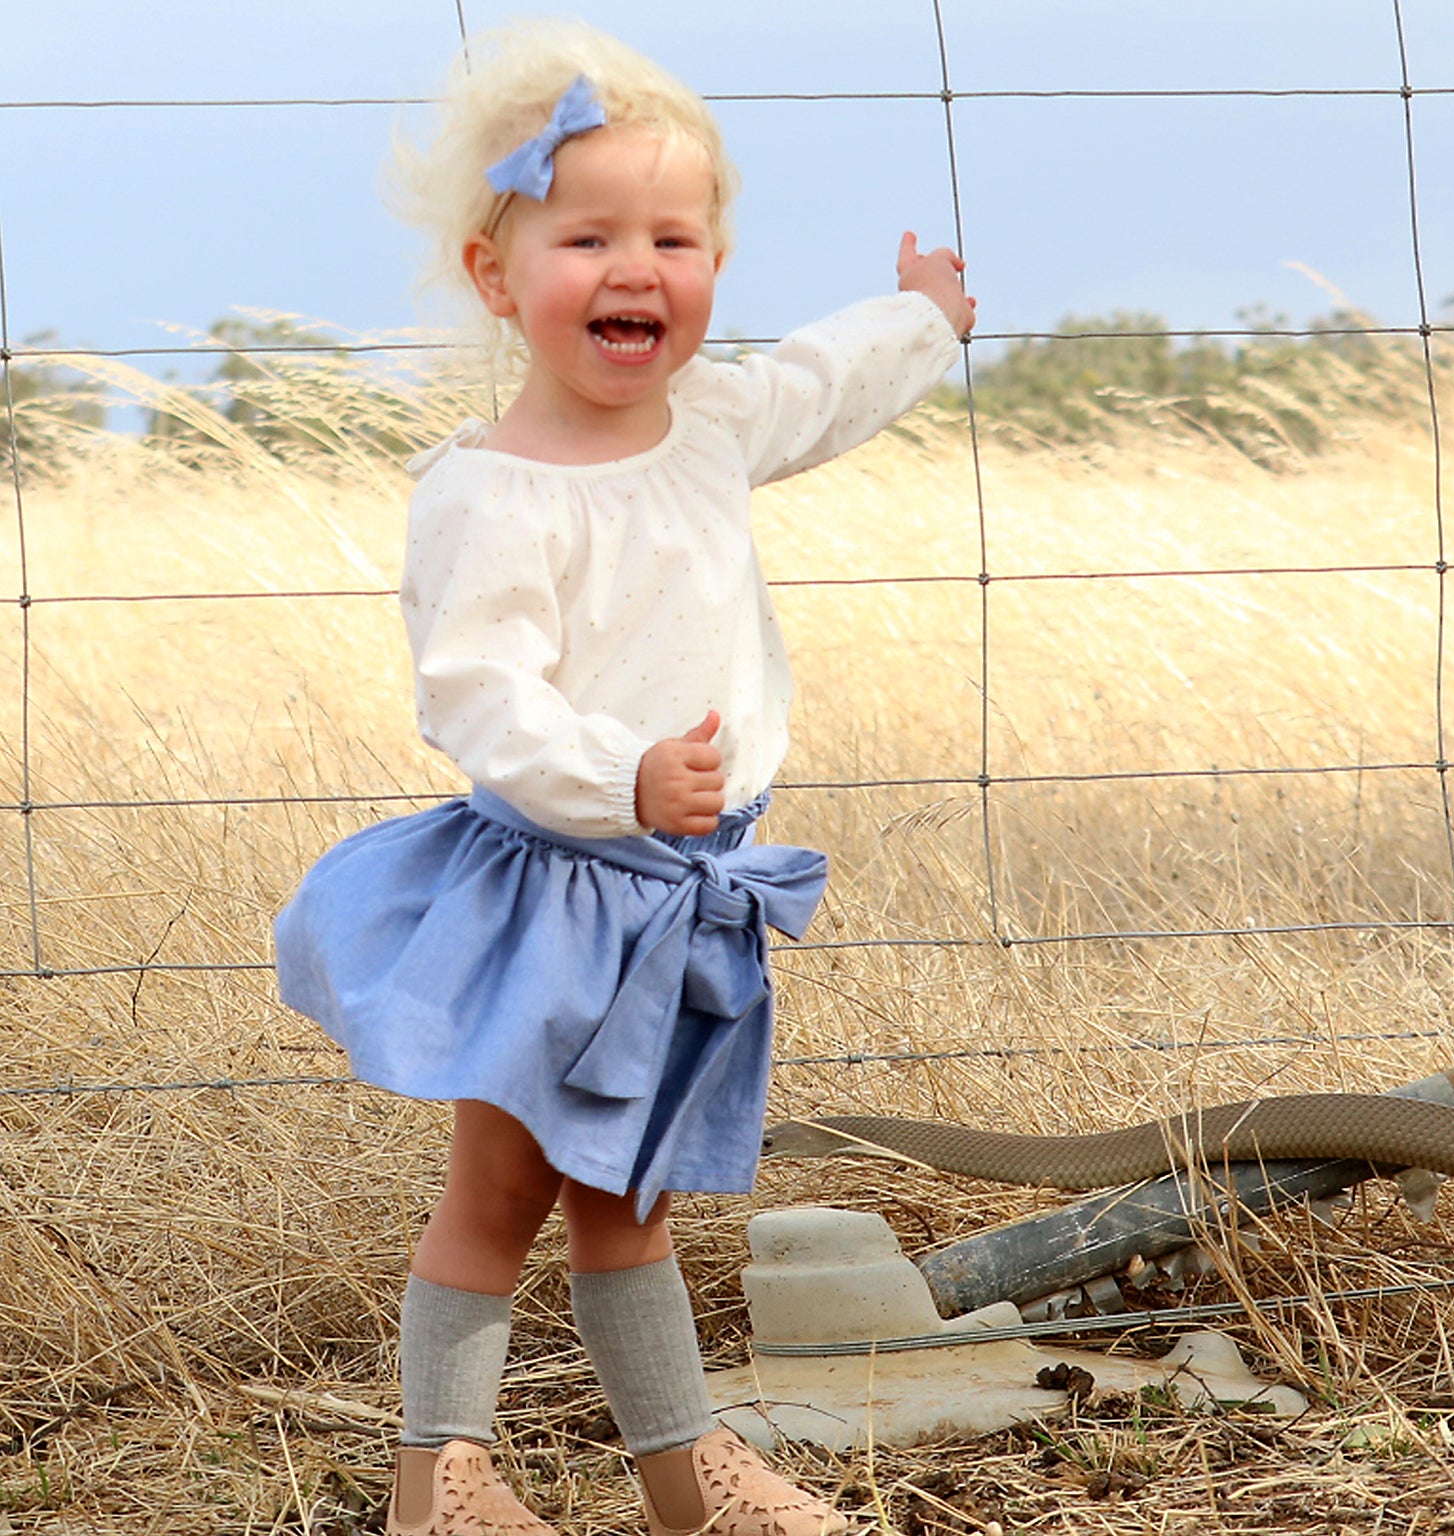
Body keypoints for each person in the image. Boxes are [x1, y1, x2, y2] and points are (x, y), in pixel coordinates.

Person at [274, 17, 976, 1536]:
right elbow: (477, 696)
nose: (636, 268)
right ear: (496, 276)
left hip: (683, 895)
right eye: (587, 237)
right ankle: (436, 1479)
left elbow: (817, 383)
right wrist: (618, 773)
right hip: (558, 890)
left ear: (715, 258)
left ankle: (683, 1474)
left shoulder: (710, 424)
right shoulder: (492, 491)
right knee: (501, 1197)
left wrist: (922, 320)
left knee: (631, 1202)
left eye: (676, 235)